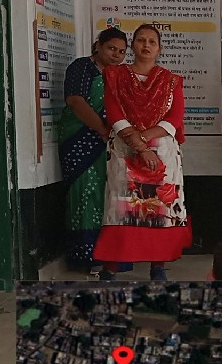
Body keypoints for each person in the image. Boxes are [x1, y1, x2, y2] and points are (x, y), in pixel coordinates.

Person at [94, 24, 191, 282]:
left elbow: (175, 118)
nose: (146, 45)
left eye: (152, 42)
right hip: (125, 151)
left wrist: (145, 140)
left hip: (162, 154)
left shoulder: (171, 81)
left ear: (159, 49)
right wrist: (140, 147)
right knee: (121, 208)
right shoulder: (115, 76)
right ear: (133, 45)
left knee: (160, 210)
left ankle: (158, 267)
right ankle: (110, 269)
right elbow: (114, 113)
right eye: (140, 40)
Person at [57, 27, 127, 274]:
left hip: (112, 143)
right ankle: (87, 256)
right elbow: (75, 101)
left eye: (121, 51)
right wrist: (102, 130)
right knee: (85, 194)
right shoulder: (82, 68)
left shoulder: (120, 75)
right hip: (81, 140)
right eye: (111, 48)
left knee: (110, 196)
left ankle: (112, 255)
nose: (116, 55)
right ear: (98, 46)